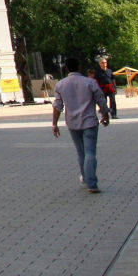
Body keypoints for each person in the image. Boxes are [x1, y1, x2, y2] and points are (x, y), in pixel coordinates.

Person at [52, 56, 113, 193]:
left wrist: (54, 124)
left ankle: (86, 177)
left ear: (66, 68)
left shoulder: (61, 84)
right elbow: (100, 100)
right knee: (90, 152)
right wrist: (105, 114)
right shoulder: (89, 82)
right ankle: (92, 183)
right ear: (79, 67)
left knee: (81, 152)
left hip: (72, 122)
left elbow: (57, 106)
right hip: (89, 121)